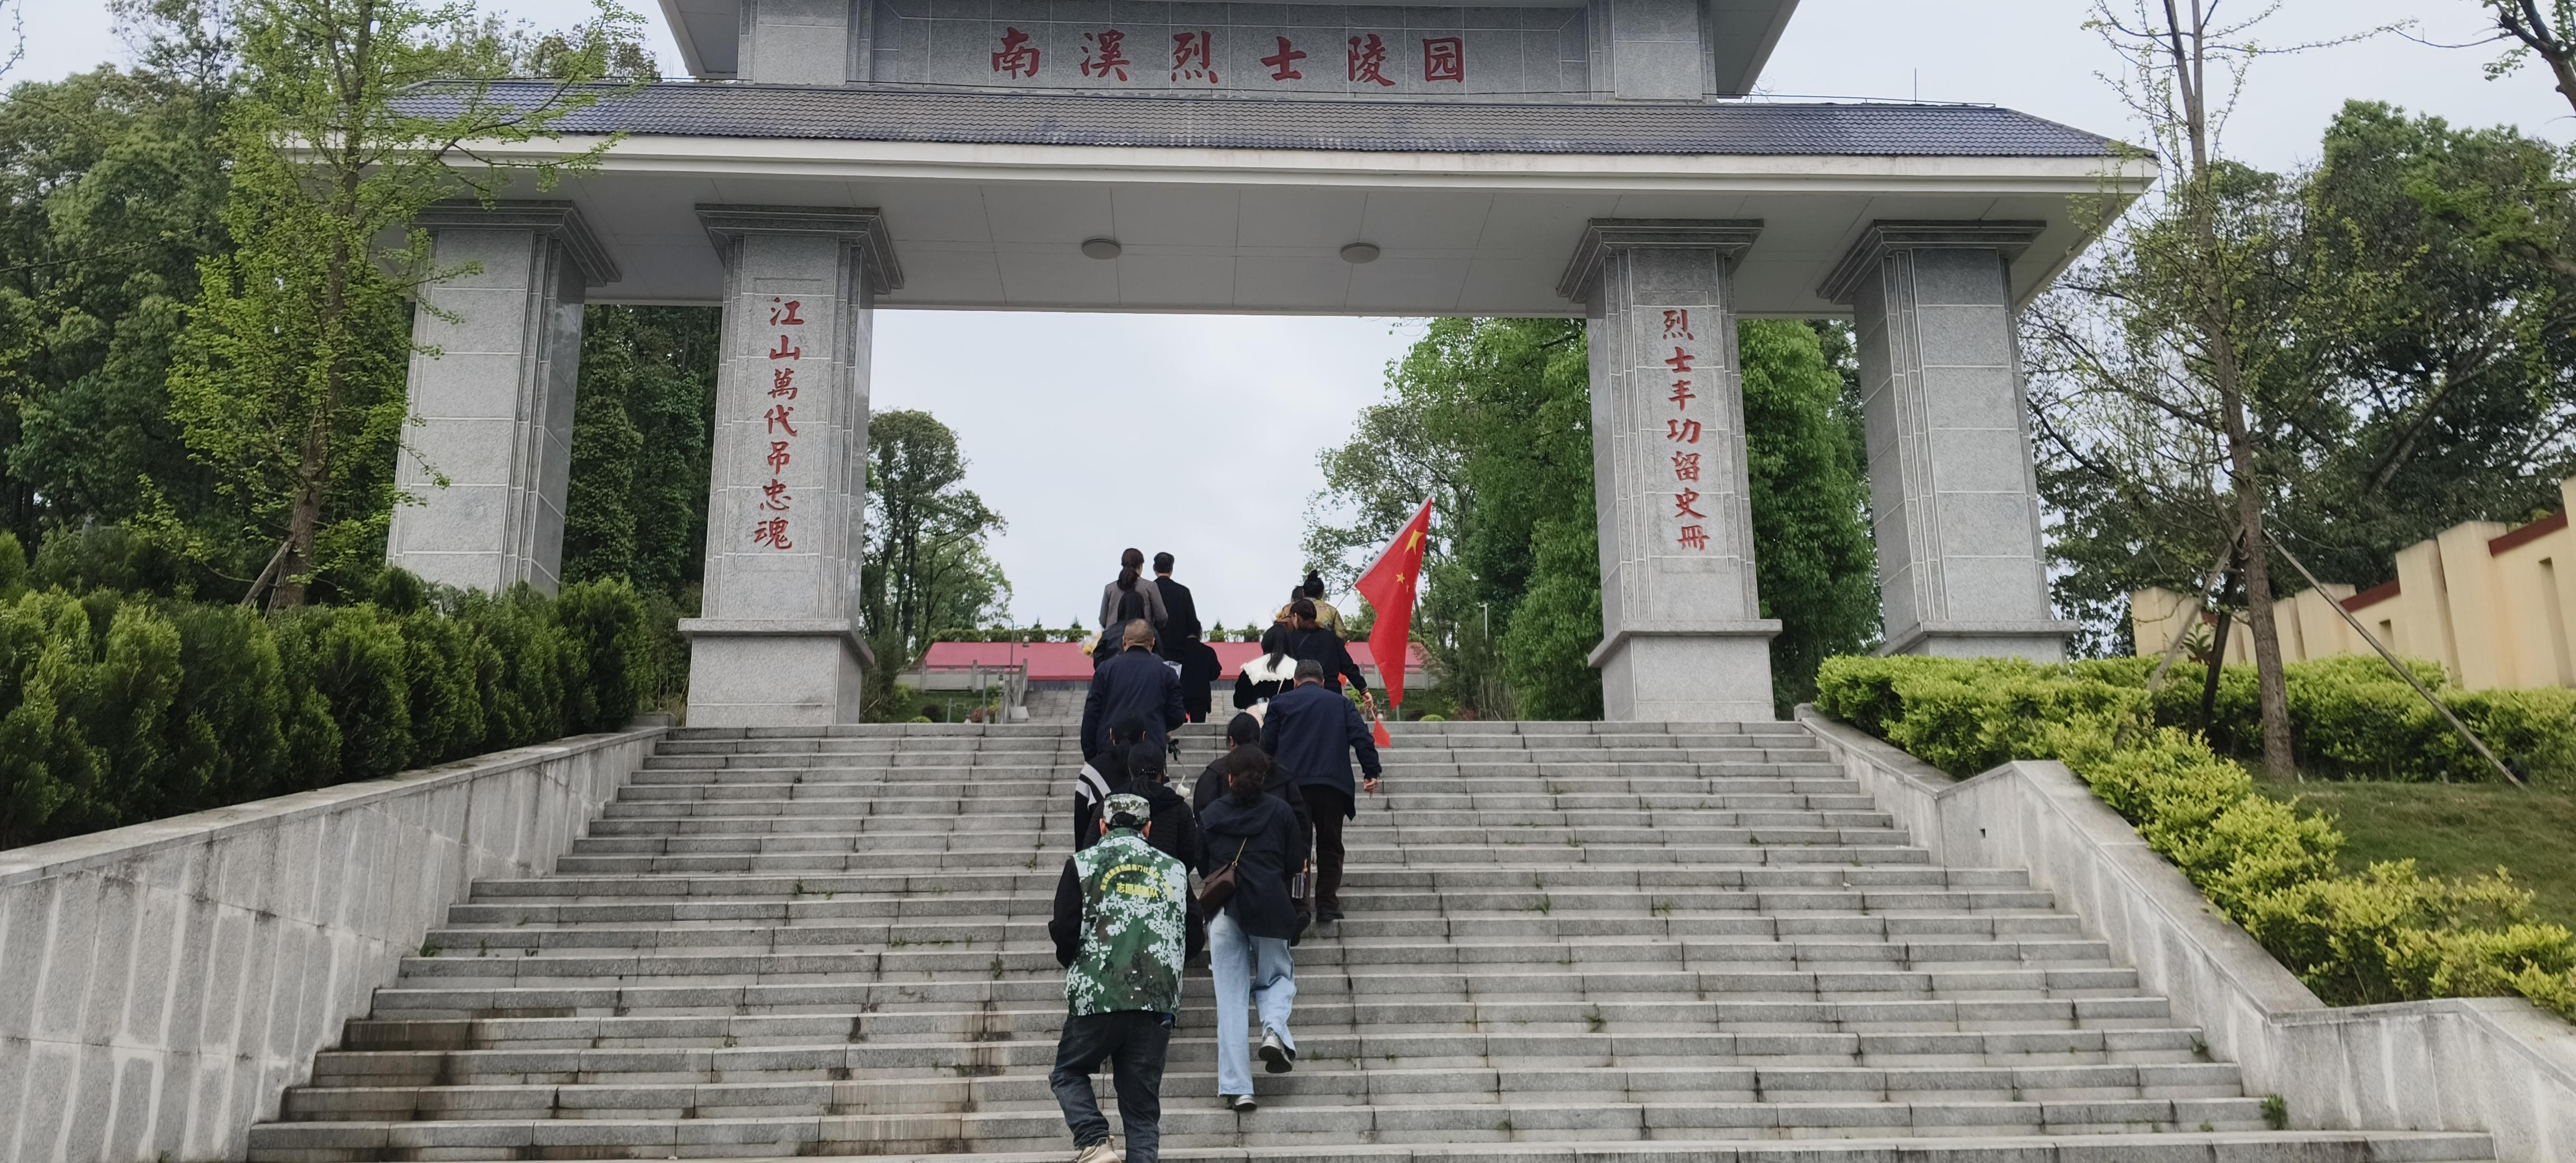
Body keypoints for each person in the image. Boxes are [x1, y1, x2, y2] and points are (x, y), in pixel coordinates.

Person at [1049, 793, 1202, 1163]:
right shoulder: (1175, 870)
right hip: (1156, 1000)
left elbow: (1065, 929)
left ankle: (1094, 1140)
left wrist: (1075, 963)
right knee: (1142, 1112)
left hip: (1098, 993)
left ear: (1103, 826)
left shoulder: (1082, 864)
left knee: (1068, 1072)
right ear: (1148, 828)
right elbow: (1195, 936)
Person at [1195, 749, 1306, 1111]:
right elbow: (1295, 862)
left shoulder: (1211, 815)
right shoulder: (1282, 812)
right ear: (1264, 778)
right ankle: (1273, 1030)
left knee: (1230, 1001)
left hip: (1224, 911)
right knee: (1276, 977)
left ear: (1228, 779)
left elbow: (1203, 865)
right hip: (1271, 906)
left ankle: (1239, 1088)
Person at [1261, 660, 1381, 923]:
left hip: (1293, 788)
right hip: (1332, 786)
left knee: (1297, 846)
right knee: (1331, 845)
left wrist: (1264, 782)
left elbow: (1266, 747)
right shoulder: (1341, 704)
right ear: (1324, 683)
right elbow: (1362, 738)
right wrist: (1371, 771)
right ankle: (1327, 903)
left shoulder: (1280, 704)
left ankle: (1299, 904)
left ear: (1295, 682)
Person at [1194, 712, 1314, 930]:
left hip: (1227, 875)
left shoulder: (1215, 774)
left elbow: (1202, 824)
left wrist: (1212, 873)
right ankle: (1299, 907)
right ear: (1259, 738)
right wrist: (1300, 858)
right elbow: (1301, 822)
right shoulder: (1282, 775)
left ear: (1231, 741)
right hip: (1273, 875)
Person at [1081, 621, 1184, 770]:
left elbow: (1091, 715)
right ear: (1153, 642)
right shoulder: (1167, 673)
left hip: (1109, 752)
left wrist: (1091, 756)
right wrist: (1158, 725)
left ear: (1124, 641)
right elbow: (1177, 715)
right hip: (1151, 752)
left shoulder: (1105, 670)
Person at [1152, 553, 1221, 724]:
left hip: (1154, 651)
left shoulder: (1149, 590)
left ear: (1154, 568)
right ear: (1172, 568)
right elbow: (1192, 622)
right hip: (1178, 655)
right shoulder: (1183, 592)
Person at [1260, 598, 1370, 696]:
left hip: (1300, 696)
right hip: (1331, 694)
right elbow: (1348, 666)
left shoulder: (1290, 639)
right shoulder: (1332, 638)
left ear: (1296, 617)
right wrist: (1363, 690)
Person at [1072, 716, 1150, 852]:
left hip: (1101, 859)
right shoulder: (1154, 769)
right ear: (1144, 736)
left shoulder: (1091, 772)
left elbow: (1081, 825)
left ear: (1111, 735)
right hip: (1149, 860)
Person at [1124, 741, 1200, 868]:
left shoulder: (1112, 805)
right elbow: (1191, 854)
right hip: (1169, 877)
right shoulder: (1179, 808)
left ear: (1130, 771)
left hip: (1120, 877)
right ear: (1163, 772)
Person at [1098, 550, 1169, 655]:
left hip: (1113, 647)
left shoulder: (1110, 589)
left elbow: (1103, 620)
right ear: (1140, 566)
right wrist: (1152, 629)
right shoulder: (1150, 587)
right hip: (1144, 644)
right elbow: (1162, 617)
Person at [1272, 571, 1343, 635]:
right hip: (1324, 644)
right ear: (1322, 593)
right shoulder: (1331, 611)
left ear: (1303, 592)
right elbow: (1342, 636)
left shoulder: (1288, 609)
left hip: (1293, 645)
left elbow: (1279, 632)